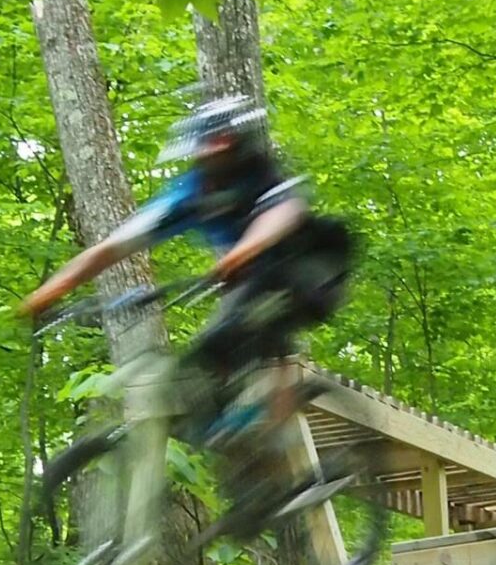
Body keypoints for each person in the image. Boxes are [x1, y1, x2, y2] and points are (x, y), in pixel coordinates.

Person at [20, 94, 353, 444]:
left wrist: (242, 252)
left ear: (237, 147)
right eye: (207, 150)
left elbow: (283, 215)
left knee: (235, 334)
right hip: (256, 279)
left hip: (314, 271)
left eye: (222, 147)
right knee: (204, 359)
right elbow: (111, 248)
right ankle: (249, 449)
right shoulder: (190, 193)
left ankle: (280, 434)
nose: (212, 160)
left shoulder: (265, 176)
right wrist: (52, 290)